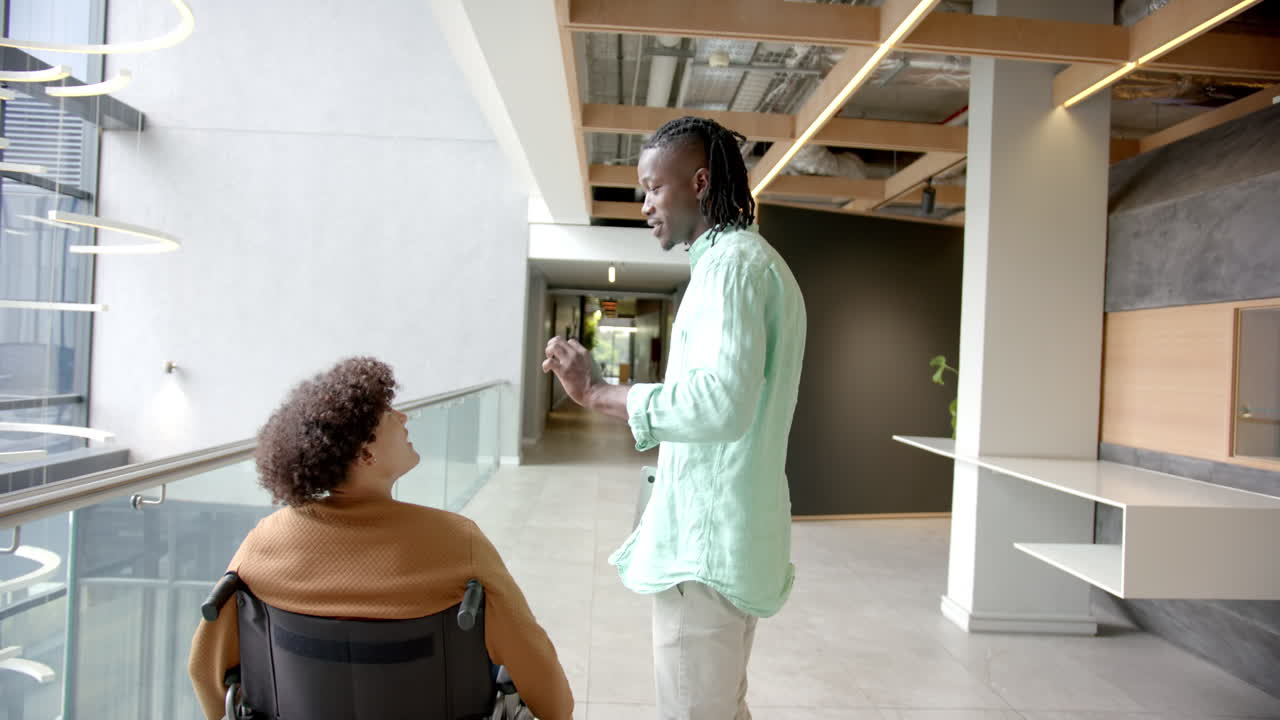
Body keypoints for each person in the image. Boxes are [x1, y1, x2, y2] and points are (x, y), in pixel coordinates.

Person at [542, 117, 806, 719]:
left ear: (700, 182)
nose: (644, 206)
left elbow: (719, 404)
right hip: (731, 537)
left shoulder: (731, 269)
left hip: (705, 547)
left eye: (652, 188)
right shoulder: (756, 266)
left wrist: (600, 393)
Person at [188, 357, 572, 720]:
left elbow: (206, 675)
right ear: (366, 453)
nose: (404, 417)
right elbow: (549, 692)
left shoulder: (265, 541)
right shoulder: (457, 542)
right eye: (390, 414)